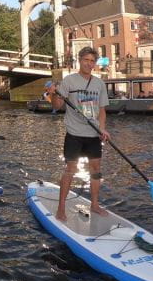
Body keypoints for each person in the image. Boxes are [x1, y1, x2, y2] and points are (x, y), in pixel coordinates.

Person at [46, 46, 111, 221]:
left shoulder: (99, 84)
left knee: (96, 170)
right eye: (86, 60)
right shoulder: (69, 81)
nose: (89, 64)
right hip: (74, 134)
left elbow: (102, 110)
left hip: (93, 135)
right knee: (70, 170)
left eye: (92, 61)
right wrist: (54, 95)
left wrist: (102, 128)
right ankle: (61, 208)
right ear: (80, 60)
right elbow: (57, 106)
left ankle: (95, 205)